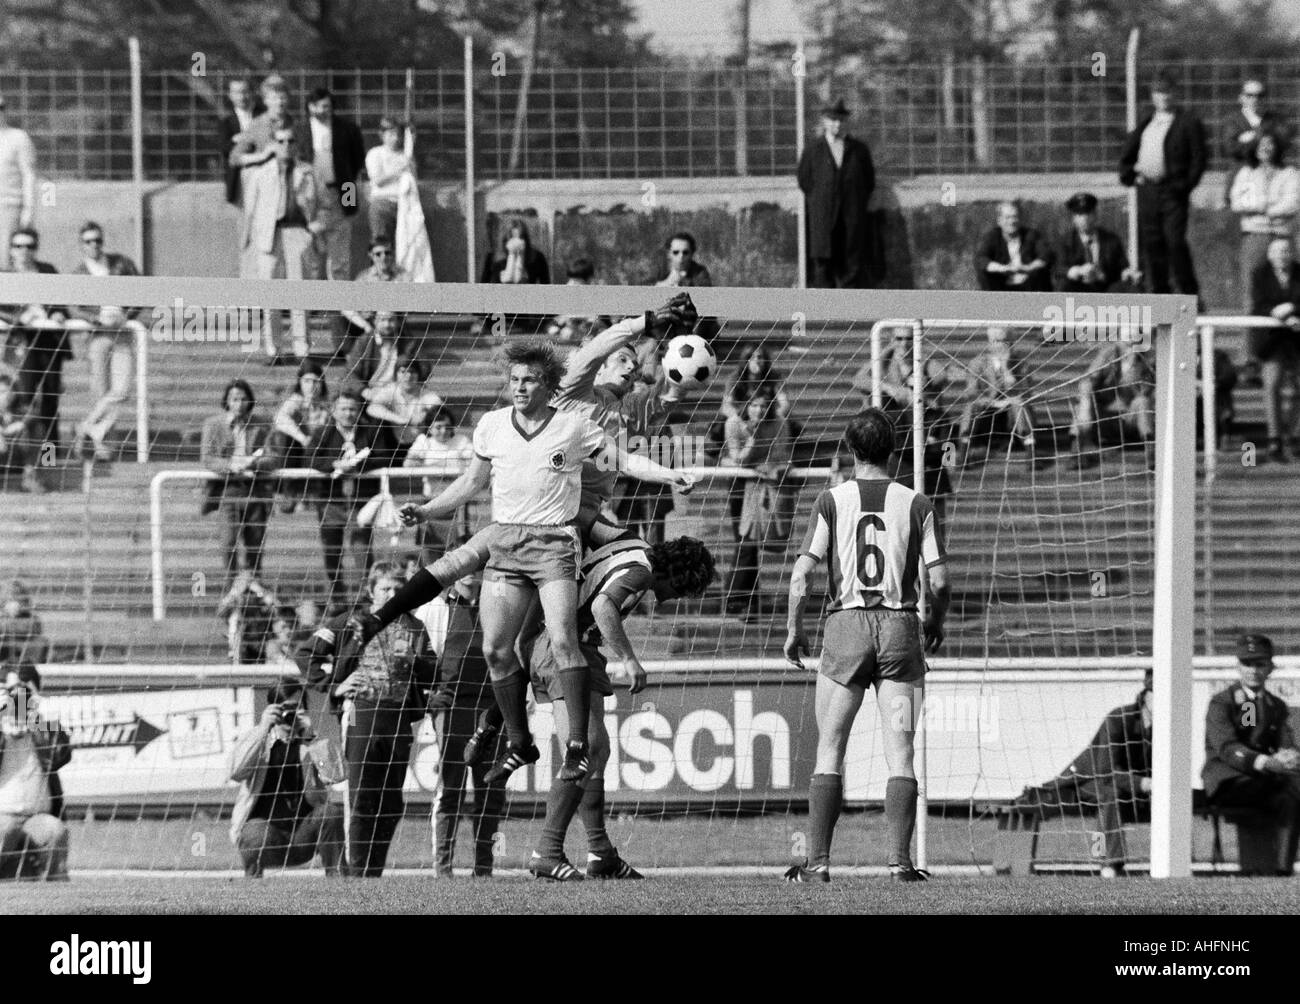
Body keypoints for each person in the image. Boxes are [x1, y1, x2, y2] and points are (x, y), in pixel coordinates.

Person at [783, 408, 949, 883]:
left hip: (846, 629)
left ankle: (818, 865)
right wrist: (935, 622)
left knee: (830, 750)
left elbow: (802, 574)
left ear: (850, 450)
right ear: (894, 450)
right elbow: (939, 580)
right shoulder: (917, 503)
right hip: (900, 630)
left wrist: (795, 629)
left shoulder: (831, 500)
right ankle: (900, 864)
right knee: (901, 753)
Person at [524, 535, 717, 881]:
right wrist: (629, 659)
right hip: (563, 648)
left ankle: (600, 853)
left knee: (599, 751)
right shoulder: (641, 572)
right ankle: (546, 851)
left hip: (584, 648)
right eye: (682, 589)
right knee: (585, 748)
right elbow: (602, 607)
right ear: (679, 574)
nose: (675, 598)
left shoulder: (636, 547)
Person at [304, 562, 436, 877]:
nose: (392, 594)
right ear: (370, 591)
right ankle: (355, 872)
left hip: (400, 718)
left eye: (397, 589)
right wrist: (334, 687)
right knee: (362, 797)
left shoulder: (415, 627)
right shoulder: (350, 622)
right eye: (385, 589)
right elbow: (306, 654)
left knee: (391, 802)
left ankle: (373, 873)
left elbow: (432, 669)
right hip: (361, 714)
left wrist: (422, 671)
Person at [1009, 670, 1153, 876]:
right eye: (1156, 692)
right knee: (1110, 794)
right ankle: (1106, 861)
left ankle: (1113, 858)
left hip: (1126, 786)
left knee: (1115, 795)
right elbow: (1107, 771)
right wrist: (1143, 784)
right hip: (1088, 780)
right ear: (1145, 694)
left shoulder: (1165, 726)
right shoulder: (1119, 719)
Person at [420, 557, 506, 878]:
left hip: (494, 709)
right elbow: (423, 660)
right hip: (453, 709)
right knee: (451, 789)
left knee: (490, 790)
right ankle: (443, 869)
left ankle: (484, 868)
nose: (471, 571)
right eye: (465, 565)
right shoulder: (435, 610)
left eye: (478, 564)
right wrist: (431, 696)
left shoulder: (499, 606)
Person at [1202, 634, 1300, 876]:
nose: (1253, 670)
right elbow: (1231, 747)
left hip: (1261, 781)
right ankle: (1278, 869)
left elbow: (1283, 742)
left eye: (1259, 664)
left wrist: (1289, 756)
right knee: (1291, 788)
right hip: (1229, 780)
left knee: (1291, 795)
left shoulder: (1274, 705)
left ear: (1271, 667)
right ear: (1237, 666)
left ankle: (1280, 868)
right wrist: (1266, 761)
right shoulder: (1224, 702)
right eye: (1247, 663)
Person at [228, 677, 345, 878]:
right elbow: (236, 772)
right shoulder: (259, 741)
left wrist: (311, 738)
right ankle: (253, 884)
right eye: (285, 707)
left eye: (297, 707)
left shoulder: (311, 744)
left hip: (304, 835)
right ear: (272, 709)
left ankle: (339, 882)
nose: (290, 713)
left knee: (331, 813)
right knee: (253, 831)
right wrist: (262, 729)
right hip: (267, 835)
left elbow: (336, 775)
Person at [1118, 73, 1208, 297]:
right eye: (1159, 92)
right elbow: (1128, 153)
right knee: (1153, 245)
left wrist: (1185, 185)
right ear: (1153, 96)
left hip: (1173, 192)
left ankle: (1189, 293)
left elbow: (1199, 158)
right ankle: (1160, 296)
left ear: (1175, 93)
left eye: (1168, 91)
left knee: (1175, 242)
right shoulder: (1147, 122)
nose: (1164, 97)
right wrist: (1130, 174)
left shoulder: (1187, 122)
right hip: (1148, 191)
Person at [242, 125, 324, 365]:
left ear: (296, 145)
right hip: (270, 234)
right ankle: (273, 348)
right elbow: (249, 210)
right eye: (281, 141)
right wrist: (247, 242)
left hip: (298, 231)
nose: (286, 146)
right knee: (270, 293)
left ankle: (302, 349)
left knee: (299, 292)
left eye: (290, 141)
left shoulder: (308, 173)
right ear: (273, 145)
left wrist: (317, 226)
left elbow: (329, 202)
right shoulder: (259, 174)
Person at [305, 390, 389, 610]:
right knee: (331, 550)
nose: (348, 413)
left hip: (361, 502)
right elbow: (310, 458)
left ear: (359, 410)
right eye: (343, 408)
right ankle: (337, 598)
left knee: (361, 548)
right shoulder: (323, 433)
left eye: (352, 408)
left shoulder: (370, 432)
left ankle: (368, 594)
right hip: (331, 501)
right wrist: (334, 464)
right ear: (334, 411)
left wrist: (356, 464)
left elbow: (382, 456)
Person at [723, 388, 796, 620]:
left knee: (749, 542)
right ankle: (740, 600)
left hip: (763, 484)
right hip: (739, 485)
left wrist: (769, 465)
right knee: (745, 542)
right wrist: (752, 440)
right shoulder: (734, 423)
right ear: (747, 406)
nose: (759, 410)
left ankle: (742, 601)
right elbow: (738, 458)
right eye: (754, 405)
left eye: (763, 406)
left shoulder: (779, 423)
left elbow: (780, 454)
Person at [200, 379, 276, 592]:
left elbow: (273, 457)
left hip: (255, 490)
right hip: (228, 490)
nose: (239, 404)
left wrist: (253, 463)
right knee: (228, 542)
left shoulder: (262, 424)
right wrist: (231, 466)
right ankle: (232, 586)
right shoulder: (213, 425)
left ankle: (254, 588)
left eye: (243, 399)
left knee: (255, 544)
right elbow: (208, 458)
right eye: (235, 399)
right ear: (227, 400)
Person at [797, 98, 876, 289]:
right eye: (832, 120)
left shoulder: (858, 150)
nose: (837, 124)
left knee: (851, 257)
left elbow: (868, 180)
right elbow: (804, 179)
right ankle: (825, 306)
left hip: (851, 214)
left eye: (840, 120)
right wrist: (820, 199)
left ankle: (851, 306)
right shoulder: (814, 150)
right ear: (825, 121)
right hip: (823, 215)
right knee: (823, 259)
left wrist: (854, 200)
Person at [0, 663, 69, 881]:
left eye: (24, 691)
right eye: (11, 692)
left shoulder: (43, 726)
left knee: (55, 831)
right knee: (7, 828)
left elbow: (62, 753)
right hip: (2, 816)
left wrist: (35, 716)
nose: (17, 698)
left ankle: (56, 902)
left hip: (36, 817)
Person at [295, 88, 365, 286]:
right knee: (311, 252)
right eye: (318, 106)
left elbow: (356, 164)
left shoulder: (347, 129)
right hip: (310, 198)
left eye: (327, 106)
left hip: (339, 191)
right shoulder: (300, 130)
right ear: (310, 107)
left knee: (340, 254)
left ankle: (339, 305)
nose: (323, 110)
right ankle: (314, 303)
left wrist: (350, 203)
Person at [1230, 132, 1299, 314]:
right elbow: (1237, 202)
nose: (1265, 148)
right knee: (1251, 288)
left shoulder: (1290, 173)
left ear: (1277, 147)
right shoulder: (1246, 173)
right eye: (1261, 144)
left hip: (1282, 235)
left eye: (1270, 143)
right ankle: (1251, 340)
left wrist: (1267, 211)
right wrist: (1261, 204)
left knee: (1287, 286)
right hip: (1254, 236)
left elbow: (1292, 202)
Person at [1248, 236, 1300, 463]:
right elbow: (1259, 304)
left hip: (1297, 339)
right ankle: (1274, 438)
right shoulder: (1259, 274)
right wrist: (1280, 315)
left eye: (1286, 251)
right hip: (1272, 340)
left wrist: (1292, 308)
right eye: (1278, 251)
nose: (1282, 255)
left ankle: (1295, 435)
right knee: (1272, 385)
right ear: (1270, 255)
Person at [955, 326, 1037, 463]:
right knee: (971, 406)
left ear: (1012, 343)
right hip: (986, 407)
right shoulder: (978, 363)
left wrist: (1006, 369)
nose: (1002, 345)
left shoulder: (1021, 363)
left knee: (1019, 403)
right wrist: (991, 401)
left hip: (1011, 408)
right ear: (989, 343)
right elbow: (971, 392)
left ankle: (1031, 454)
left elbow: (1026, 392)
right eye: (997, 340)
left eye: (1006, 341)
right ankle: (963, 453)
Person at [1068, 343, 1155, 468]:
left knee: (1142, 401)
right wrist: (1086, 406)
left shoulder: (1147, 359)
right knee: (1083, 403)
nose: (1132, 336)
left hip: (1129, 419)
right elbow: (1087, 381)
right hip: (1103, 418)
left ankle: (1151, 453)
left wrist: (1133, 367)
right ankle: (1075, 453)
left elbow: (1147, 393)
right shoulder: (1108, 354)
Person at [403, 407, 472, 559]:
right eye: (438, 427)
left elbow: (473, 466)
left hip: (456, 503)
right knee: (430, 551)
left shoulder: (461, 441)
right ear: (430, 427)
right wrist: (436, 468)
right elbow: (408, 464)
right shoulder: (423, 442)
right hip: (431, 503)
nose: (443, 431)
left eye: (447, 426)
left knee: (457, 551)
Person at [340, 239, 413, 374]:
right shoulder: (364, 277)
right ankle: (354, 359)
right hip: (368, 322)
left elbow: (408, 299)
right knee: (345, 315)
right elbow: (346, 304)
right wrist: (365, 325)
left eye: (387, 253)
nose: (383, 257)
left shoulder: (402, 275)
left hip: (393, 319)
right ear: (371, 256)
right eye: (378, 254)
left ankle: (401, 361)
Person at [270, 360, 331, 512]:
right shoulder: (295, 400)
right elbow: (280, 419)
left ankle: (310, 496)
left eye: (316, 381)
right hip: (297, 449)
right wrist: (303, 438)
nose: (311, 386)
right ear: (300, 383)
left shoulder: (326, 405)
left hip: (318, 450)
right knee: (284, 437)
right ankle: (288, 493)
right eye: (307, 381)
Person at [1055, 192, 1133, 294]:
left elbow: (1122, 268)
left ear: (1095, 215)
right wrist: (1078, 271)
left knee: (1127, 288)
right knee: (1063, 286)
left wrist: (1102, 275)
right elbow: (1059, 268)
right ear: (1073, 218)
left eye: (1088, 213)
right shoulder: (1066, 241)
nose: (1085, 218)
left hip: (1106, 290)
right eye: (1080, 214)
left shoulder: (1112, 240)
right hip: (1076, 289)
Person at [363, 356, 443, 451]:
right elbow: (372, 408)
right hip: (392, 443)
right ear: (396, 374)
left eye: (412, 372)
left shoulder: (426, 394)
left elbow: (439, 408)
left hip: (419, 444)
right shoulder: (390, 390)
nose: (408, 376)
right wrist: (400, 420)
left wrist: (426, 415)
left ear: (418, 374)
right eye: (403, 371)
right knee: (377, 421)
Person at [974, 201, 1052, 292]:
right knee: (984, 272)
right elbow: (981, 258)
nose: (1012, 221)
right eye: (1007, 218)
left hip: (1029, 285)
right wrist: (1002, 269)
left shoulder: (1031, 235)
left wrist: (1029, 268)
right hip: (1002, 285)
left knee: (1042, 271)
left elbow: (1046, 255)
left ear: (1020, 219)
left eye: (1015, 217)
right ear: (999, 221)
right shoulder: (992, 237)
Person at [365, 116, 414, 245]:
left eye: (398, 134)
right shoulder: (375, 153)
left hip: (405, 206)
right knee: (382, 246)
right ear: (382, 135)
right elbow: (378, 181)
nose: (396, 138)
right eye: (391, 134)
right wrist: (399, 170)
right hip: (382, 206)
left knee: (405, 248)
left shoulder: (406, 156)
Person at [0, 96, 37, 260]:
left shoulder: (19, 138)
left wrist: (28, 211)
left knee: (6, 261)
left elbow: (29, 176)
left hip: (10, 207)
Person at [218, 78, 264, 206]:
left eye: (245, 92)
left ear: (252, 93)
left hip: (263, 172)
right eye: (237, 93)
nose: (242, 97)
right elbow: (224, 147)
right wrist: (235, 140)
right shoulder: (226, 120)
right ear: (230, 96)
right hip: (238, 177)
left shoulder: (263, 115)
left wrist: (244, 137)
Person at [1225, 79, 1288, 167]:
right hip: (1242, 173)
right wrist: (1265, 139)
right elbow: (1231, 150)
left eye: (1260, 95)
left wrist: (1251, 138)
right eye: (1249, 95)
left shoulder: (1276, 119)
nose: (1255, 99)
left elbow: (1282, 146)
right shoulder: (1233, 120)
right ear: (1241, 97)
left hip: (1271, 173)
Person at [0, 364, 42, 493]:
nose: (5, 396)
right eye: (1, 392)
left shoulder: (20, 411)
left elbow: (34, 413)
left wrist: (21, 424)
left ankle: (45, 470)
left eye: (8, 391)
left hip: (20, 459)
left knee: (42, 431)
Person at [479, 218, 550, 286]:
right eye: (512, 238)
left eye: (520, 238)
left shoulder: (537, 258)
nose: (516, 242)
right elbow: (482, 287)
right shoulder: (492, 258)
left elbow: (546, 287)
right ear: (505, 240)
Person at [0, 581, 49, 664]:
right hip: (5, 651)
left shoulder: (31, 618)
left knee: (40, 642)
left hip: (23, 650)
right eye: (10, 596)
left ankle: (28, 671)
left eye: (16, 595)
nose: (13, 599)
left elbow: (34, 629)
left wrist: (12, 616)